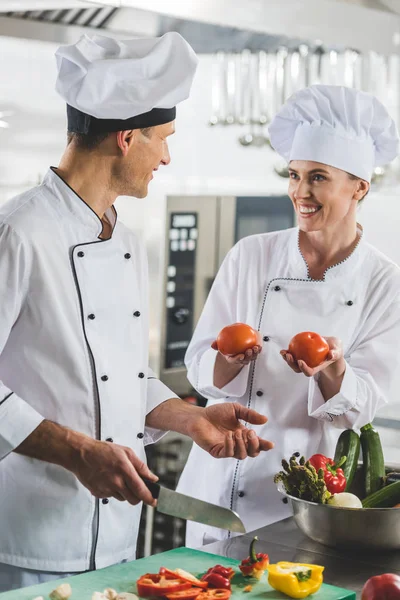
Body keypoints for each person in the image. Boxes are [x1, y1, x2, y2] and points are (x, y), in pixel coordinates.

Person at [0, 32, 274, 593]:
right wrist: (78, 451)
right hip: (25, 540)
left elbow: (118, 375)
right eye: (164, 139)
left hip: (117, 541)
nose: (167, 157)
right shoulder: (19, 232)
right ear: (127, 137)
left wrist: (188, 417)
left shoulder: (127, 241)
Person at [177, 84, 400, 548]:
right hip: (221, 477)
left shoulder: (383, 280)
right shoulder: (250, 256)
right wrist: (229, 360)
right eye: (293, 175)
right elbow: (199, 366)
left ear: (360, 186)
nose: (300, 191)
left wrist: (333, 372)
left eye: (317, 177)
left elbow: (366, 407)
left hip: (304, 494)